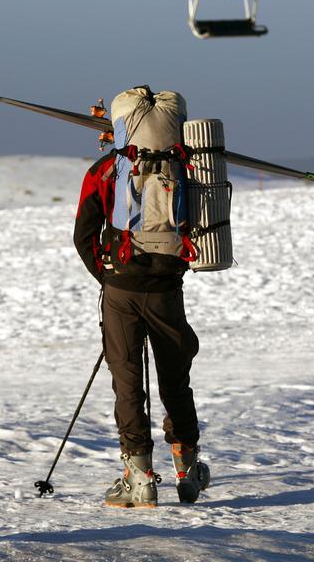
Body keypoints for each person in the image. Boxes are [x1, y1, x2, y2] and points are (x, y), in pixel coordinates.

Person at [74, 148, 211, 508]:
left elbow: (83, 233)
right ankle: (187, 470)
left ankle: (139, 479)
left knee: (128, 380)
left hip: (121, 287)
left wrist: (107, 276)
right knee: (175, 379)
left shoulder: (107, 167)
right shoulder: (185, 161)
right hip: (166, 288)